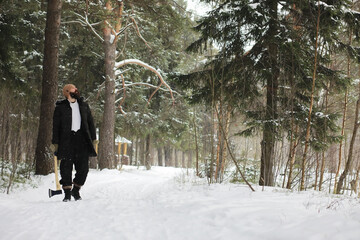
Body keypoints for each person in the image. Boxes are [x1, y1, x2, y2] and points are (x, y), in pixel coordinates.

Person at [51, 84, 97, 202]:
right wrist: (55, 142)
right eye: (73, 90)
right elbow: (55, 126)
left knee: (83, 168)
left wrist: (93, 138)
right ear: (67, 92)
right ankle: (67, 193)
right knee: (66, 167)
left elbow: (91, 123)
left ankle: (75, 190)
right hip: (66, 140)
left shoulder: (84, 106)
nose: (76, 91)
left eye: (76, 89)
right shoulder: (60, 108)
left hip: (81, 139)